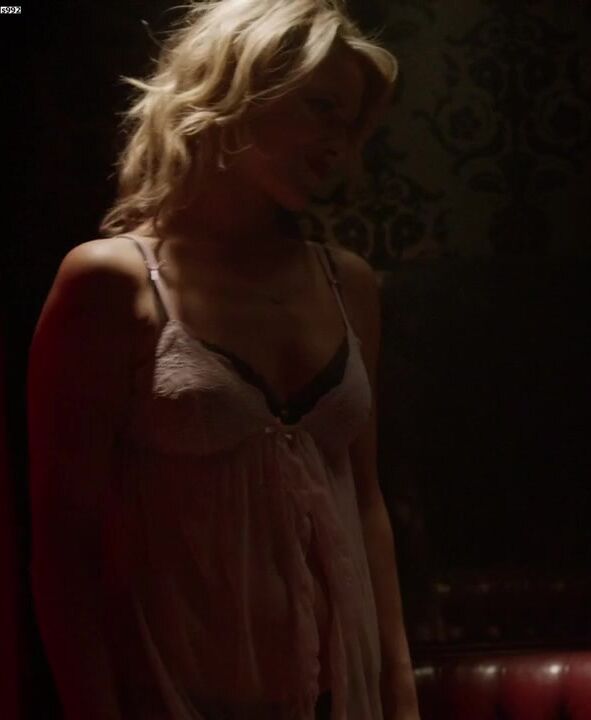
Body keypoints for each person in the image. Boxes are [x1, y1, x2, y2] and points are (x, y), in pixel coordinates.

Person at [27, 1, 418, 717]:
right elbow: (64, 545)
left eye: (351, 125)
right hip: (180, 695)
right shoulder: (112, 282)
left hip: (339, 696)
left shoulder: (346, 283)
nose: (339, 146)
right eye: (321, 108)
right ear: (239, 88)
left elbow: (366, 503)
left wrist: (400, 693)